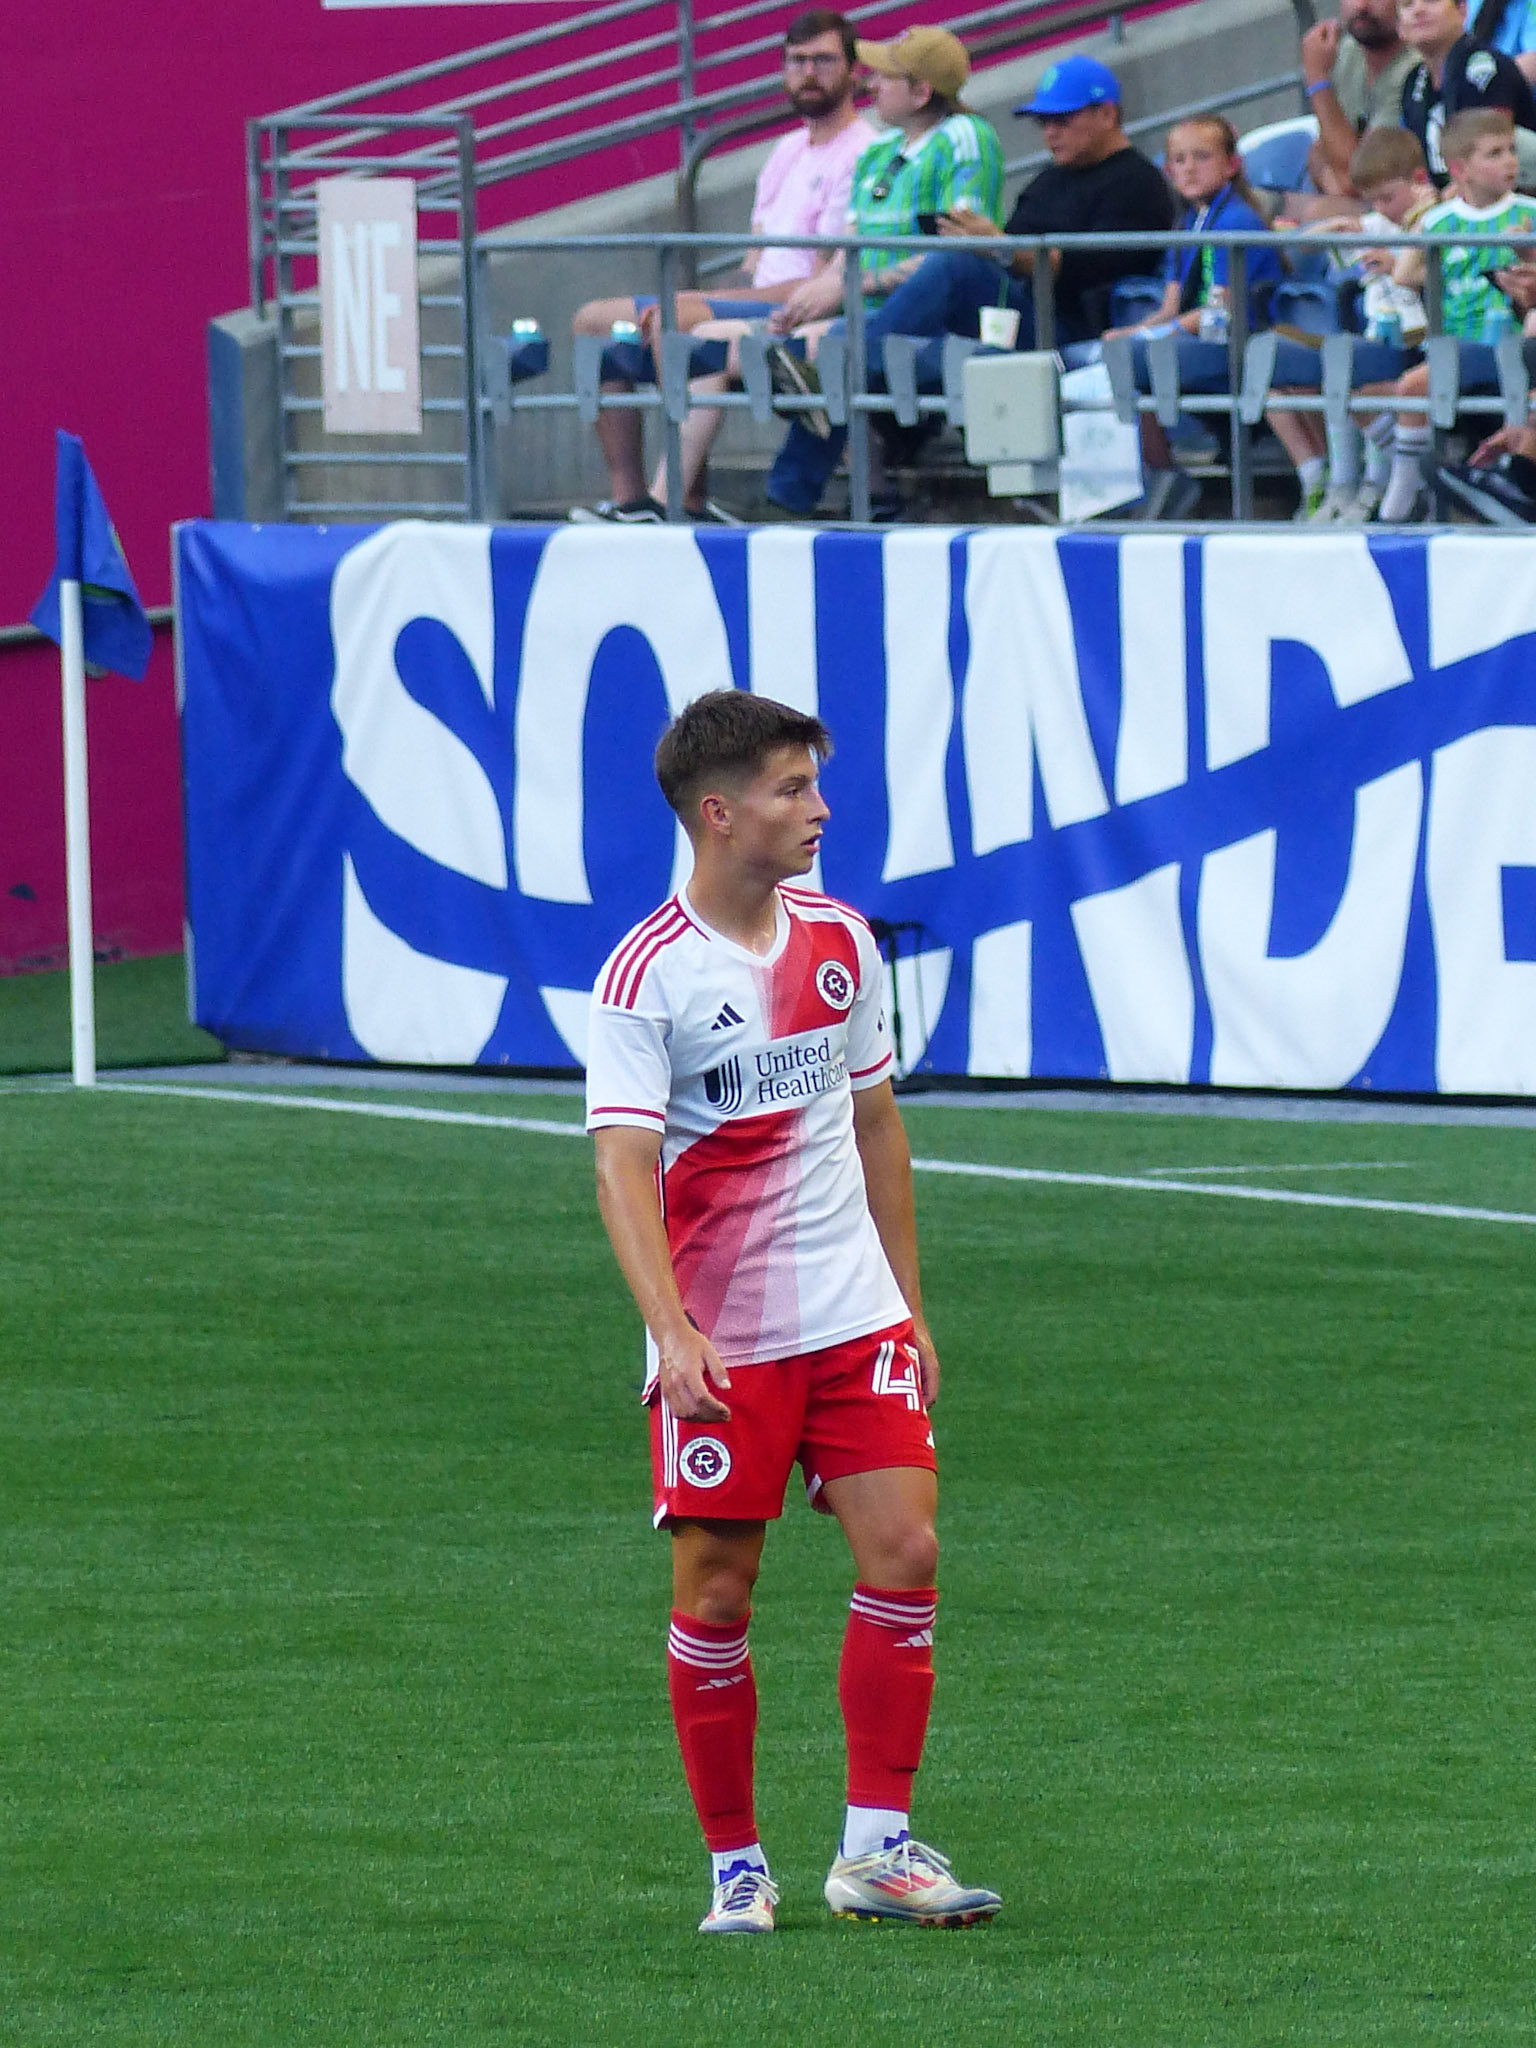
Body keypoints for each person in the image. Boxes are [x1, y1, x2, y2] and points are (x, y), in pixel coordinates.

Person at [585, 689, 1001, 1937]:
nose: (820, 806)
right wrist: (672, 1331)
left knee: (908, 1550)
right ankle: (736, 1864)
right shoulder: (647, 975)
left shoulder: (842, 941)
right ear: (719, 814)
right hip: (725, 1340)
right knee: (719, 1591)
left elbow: (875, 1120)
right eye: (791, 787)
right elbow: (621, 1166)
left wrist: (909, 1305)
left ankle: (876, 1847)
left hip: (852, 1314)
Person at [762, 51, 1173, 515]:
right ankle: (788, 495)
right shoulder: (1050, 180)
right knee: (848, 337)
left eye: (1062, 120)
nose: (1049, 133)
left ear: (1107, 115)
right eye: (1043, 123)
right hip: (1020, 314)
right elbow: (1016, 253)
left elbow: (1088, 269)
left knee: (944, 274)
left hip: (1074, 328)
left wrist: (994, 246)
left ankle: (828, 385)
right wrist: (990, 245)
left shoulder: (1137, 184)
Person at [568, 10, 874, 524]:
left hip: (803, 306)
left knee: (677, 319)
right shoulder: (787, 149)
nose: (808, 73)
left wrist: (698, 304)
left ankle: (682, 500)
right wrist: (707, 296)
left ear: (854, 71)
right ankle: (629, 500)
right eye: (796, 61)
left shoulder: (863, 151)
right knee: (594, 322)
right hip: (760, 299)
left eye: (823, 61)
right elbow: (754, 261)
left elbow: (822, 280)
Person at [1103, 114, 1286, 518]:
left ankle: (1165, 476)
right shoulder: (1187, 223)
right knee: (1108, 351)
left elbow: (1220, 310)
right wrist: (1131, 332)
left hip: (1238, 343)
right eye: (1179, 160)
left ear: (1231, 164)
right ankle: (1145, 477)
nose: (1189, 168)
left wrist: (1151, 339)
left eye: (1201, 157)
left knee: (1130, 358)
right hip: (1196, 337)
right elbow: (1170, 308)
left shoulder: (1237, 221)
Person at [1367, 107, 1536, 515]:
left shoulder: (1529, 213)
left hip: (1509, 343)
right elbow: (1405, 274)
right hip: (1453, 340)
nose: (1509, 162)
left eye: (1511, 151)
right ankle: (1411, 483)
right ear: (1460, 169)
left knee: (1411, 387)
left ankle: (1401, 502)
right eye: (1494, 153)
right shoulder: (1441, 220)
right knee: (1372, 384)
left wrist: (1524, 252)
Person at [1302, 126, 1436, 520]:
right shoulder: (1377, 223)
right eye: (1371, 200)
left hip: (1422, 336)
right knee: (1353, 397)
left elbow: (1434, 276)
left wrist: (1395, 264)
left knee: (1372, 382)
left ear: (1419, 179)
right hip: (1385, 334)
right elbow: (1304, 245)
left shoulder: (1436, 219)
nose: (1379, 208)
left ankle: (1405, 481)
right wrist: (1336, 227)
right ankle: (1417, 475)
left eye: (1387, 197)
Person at [1398, 0, 1536, 185]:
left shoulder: (1486, 67)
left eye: (1432, 1)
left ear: (1462, 10)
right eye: (1408, 5)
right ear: (1399, 27)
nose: (1418, 10)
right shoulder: (1413, 81)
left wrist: (1445, 198)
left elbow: (1494, 155)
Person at [1301, 0, 1420, 196]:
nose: (1361, 6)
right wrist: (1335, 182)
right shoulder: (1348, 51)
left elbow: (1361, 178)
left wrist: (1318, 80)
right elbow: (1318, 153)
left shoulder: (1414, 67)